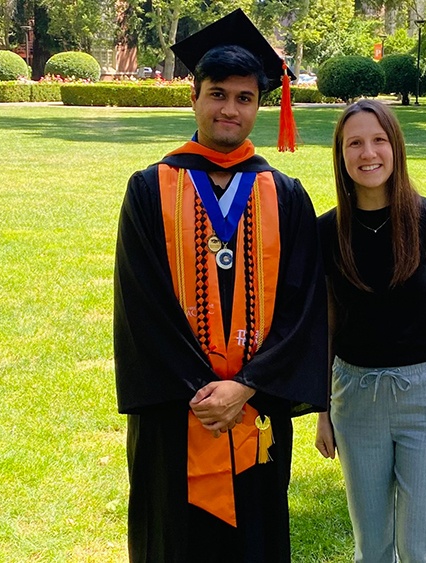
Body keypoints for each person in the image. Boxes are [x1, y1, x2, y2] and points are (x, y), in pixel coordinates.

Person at [113, 9, 328, 563]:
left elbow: (303, 308)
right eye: (217, 94)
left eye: (243, 97)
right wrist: (205, 393)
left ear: (260, 105)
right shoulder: (148, 189)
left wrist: (248, 387)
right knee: (172, 538)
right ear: (194, 97)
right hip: (174, 413)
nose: (229, 109)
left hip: (255, 412)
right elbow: (143, 305)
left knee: (254, 540)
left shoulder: (285, 194)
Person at [314, 100, 426, 563]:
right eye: (355, 143)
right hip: (355, 400)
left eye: (378, 140)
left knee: (421, 548)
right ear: (341, 154)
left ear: (396, 147)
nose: (368, 153)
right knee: (371, 547)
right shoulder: (327, 233)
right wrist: (323, 410)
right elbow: (326, 325)